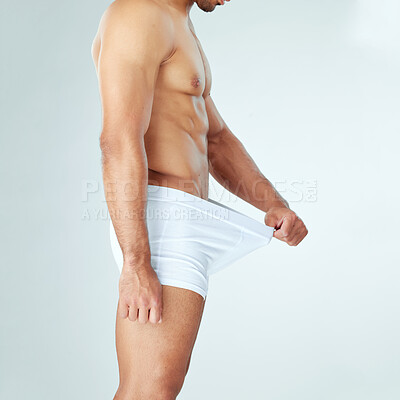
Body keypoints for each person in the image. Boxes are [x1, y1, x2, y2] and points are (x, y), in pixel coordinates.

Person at [91, 0, 308, 398]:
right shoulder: (137, 14)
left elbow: (215, 138)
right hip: (161, 224)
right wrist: (137, 263)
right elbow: (118, 139)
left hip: (187, 219)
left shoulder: (179, 24)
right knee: (147, 389)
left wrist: (274, 204)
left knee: (160, 386)